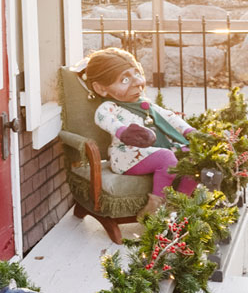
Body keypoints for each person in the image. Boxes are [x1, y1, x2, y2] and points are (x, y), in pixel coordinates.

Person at [80, 48, 197, 218]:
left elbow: (170, 117)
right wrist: (124, 132)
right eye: (125, 79)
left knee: (194, 156)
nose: (137, 82)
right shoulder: (109, 107)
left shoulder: (146, 105)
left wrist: (190, 132)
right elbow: (104, 119)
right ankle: (154, 211)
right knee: (166, 157)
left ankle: (179, 205)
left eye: (137, 74)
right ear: (101, 88)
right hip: (127, 156)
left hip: (152, 150)